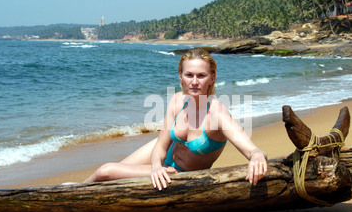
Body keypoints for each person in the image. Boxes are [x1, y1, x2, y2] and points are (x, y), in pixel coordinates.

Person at [76, 48, 268, 190]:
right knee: (111, 175)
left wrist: (258, 157)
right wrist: (155, 167)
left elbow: (252, 149)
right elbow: (161, 145)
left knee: (106, 172)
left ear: (212, 78)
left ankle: (75, 190)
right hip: (163, 159)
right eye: (189, 75)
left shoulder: (217, 114)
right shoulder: (177, 101)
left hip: (179, 174)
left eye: (201, 75)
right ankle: (76, 189)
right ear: (180, 77)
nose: (194, 82)